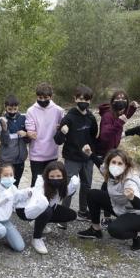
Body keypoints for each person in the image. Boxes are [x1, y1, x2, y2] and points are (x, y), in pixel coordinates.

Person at [78, 150, 140, 251]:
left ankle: (139, 234)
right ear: (109, 163)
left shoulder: (129, 181)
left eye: (120, 163)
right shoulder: (110, 173)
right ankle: (95, 230)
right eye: (113, 162)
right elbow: (100, 164)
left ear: (126, 166)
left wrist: (132, 197)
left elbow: (139, 205)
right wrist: (91, 154)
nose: (116, 166)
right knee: (93, 194)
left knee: (114, 229)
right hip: (122, 207)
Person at [91, 90, 138, 227]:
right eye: (117, 98)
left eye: (123, 98)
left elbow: (124, 117)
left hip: (112, 151)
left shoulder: (118, 113)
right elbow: (105, 135)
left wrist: (132, 109)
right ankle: (104, 213)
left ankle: (103, 210)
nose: (121, 100)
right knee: (109, 181)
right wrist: (119, 123)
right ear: (112, 101)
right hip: (104, 153)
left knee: (108, 181)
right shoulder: (107, 115)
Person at [53, 84, 98, 221]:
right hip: (72, 158)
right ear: (75, 99)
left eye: (86, 99)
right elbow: (58, 141)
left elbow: (94, 134)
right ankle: (64, 214)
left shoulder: (91, 117)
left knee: (86, 185)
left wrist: (92, 152)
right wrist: (61, 131)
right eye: (80, 99)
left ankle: (82, 212)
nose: (83, 102)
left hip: (87, 158)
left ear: (90, 101)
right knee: (69, 185)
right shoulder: (68, 117)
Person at [16, 161, 80, 254]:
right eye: (52, 176)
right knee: (47, 210)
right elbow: (36, 203)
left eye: (58, 176)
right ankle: (36, 238)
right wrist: (34, 215)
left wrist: (74, 185)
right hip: (25, 210)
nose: (56, 179)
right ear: (47, 176)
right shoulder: (41, 185)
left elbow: (66, 192)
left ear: (63, 176)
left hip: (43, 209)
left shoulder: (61, 186)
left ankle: (38, 222)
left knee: (71, 214)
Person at [0, 163, 31, 253]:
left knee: (19, 247)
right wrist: (4, 199)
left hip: (4, 220)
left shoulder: (11, 187)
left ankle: (0, 232)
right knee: (1, 231)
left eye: (11, 175)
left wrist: (27, 193)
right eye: (5, 175)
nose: (9, 177)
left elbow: (17, 196)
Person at [25, 82, 64, 186]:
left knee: (51, 183)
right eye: (40, 97)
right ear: (37, 96)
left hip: (52, 153)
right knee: (37, 183)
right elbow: (30, 129)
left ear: (51, 96)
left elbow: (63, 130)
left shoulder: (59, 111)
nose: (42, 100)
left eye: (45, 97)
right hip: (36, 154)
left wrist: (61, 129)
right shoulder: (31, 111)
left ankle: (50, 203)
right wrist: (29, 133)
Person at [0, 94, 29, 187]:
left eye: (15, 109)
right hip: (7, 160)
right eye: (10, 109)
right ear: (5, 107)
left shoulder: (24, 118)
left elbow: (28, 140)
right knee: (5, 185)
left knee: (16, 184)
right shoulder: (1, 120)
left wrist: (25, 134)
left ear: (18, 107)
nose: (13, 111)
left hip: (20, 160)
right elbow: (5, 141)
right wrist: (4, 129)